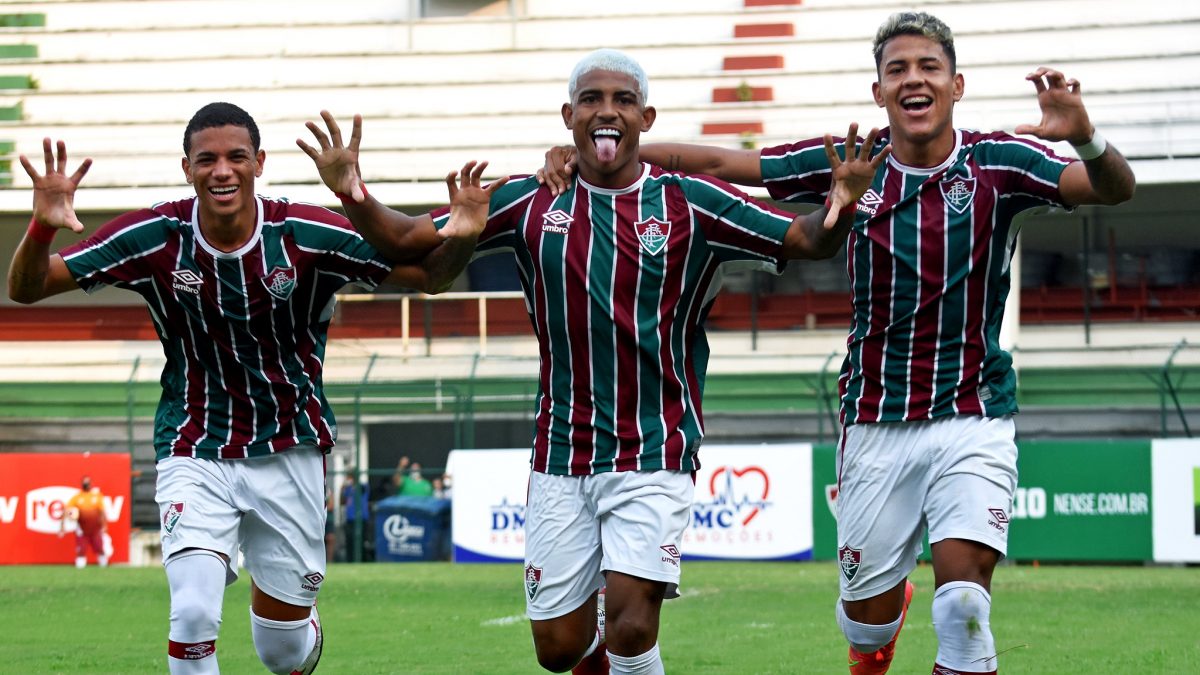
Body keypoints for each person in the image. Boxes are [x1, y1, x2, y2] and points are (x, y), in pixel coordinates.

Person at [542, 13, 1136, 675]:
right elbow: (720, 163)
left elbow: (1113, 189)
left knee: (964, 607)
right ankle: (873, 637)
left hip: (975, 414)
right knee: (864, 618)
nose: (914, 78)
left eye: (928, 67)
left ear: (956, 85)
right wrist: (601, 153)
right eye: (897, 70)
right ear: (878, 92)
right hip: (875, 420)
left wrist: (1088, 138)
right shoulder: (849, 162)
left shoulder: (998, 160)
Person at [299, 49, 885, 675]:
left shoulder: (691, 202)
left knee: (632, 628)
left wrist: (840, 206)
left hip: (654, 445)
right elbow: (411, 245)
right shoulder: (526, 201)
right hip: (560, 452)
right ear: (568, 116)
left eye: (623, 100)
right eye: (592, 100)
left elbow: (801, 241)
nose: (607, 111)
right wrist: (353, 192)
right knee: (558, 649)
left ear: (646, 117)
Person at [8, 101, 504, 674]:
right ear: (187, 168)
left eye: (236, 157)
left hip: (290, 447)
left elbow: (429, 277)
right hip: (194, 445)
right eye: (207, 160)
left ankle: (301, 626)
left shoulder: (303, 230)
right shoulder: (153, 235)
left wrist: (462, 234)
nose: (222, 170)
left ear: (259, 163)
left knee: (281, 650)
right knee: (192, 616)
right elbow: (29, 288)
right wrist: (42, 224)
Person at [60, 475, 109, 568]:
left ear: (91, 484)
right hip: (82, 528)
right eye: (84, 483)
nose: (86, 484)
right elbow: (67, 510)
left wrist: (105, 525)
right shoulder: (77, 497)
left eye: (88, 483)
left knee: (99, 548)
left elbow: (102, 512)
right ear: (82, 484)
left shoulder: (97, 496)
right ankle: (80, 567)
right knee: (81, 549)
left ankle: (104, 566)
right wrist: (63, 524)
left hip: (95, 528)